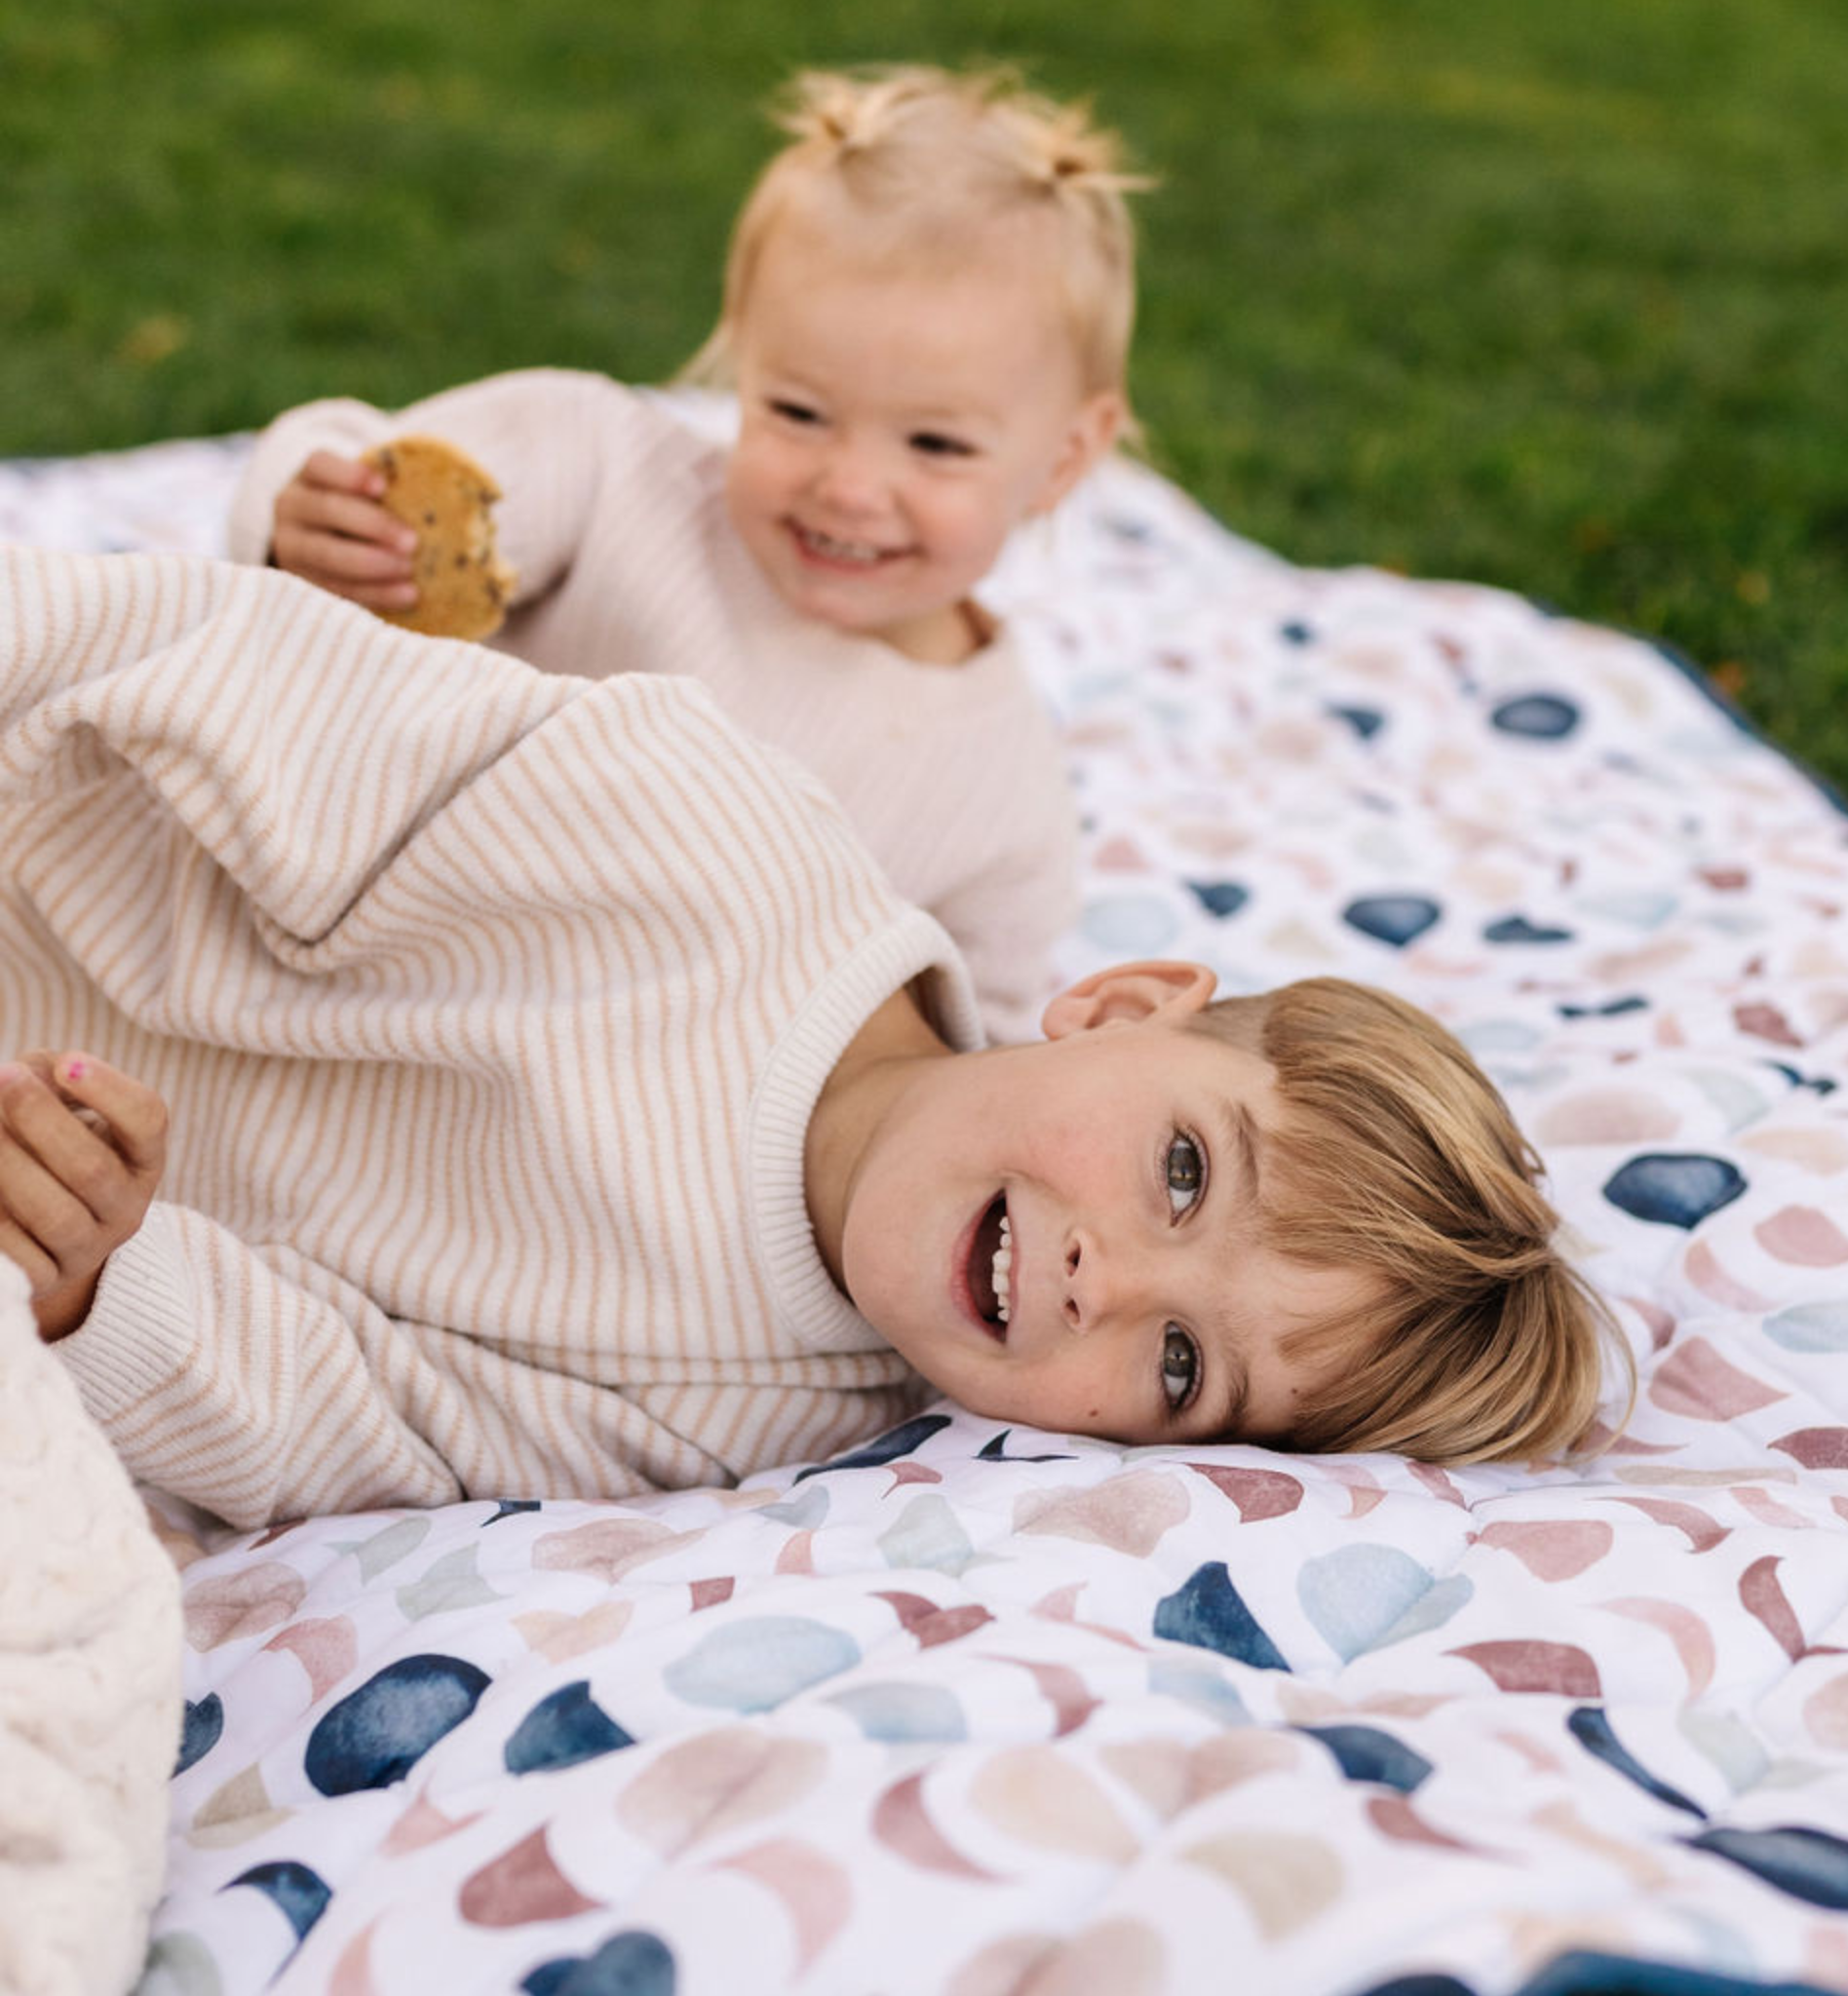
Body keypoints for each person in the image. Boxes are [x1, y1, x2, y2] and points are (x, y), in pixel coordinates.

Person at [0, 548, 1617, 1529]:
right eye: (1183, 1173)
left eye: (1181, 1367)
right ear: (1120, 1003)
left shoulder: (757, 1412)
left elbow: (359, 1415)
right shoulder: (707, 836)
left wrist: (103, 1276)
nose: (1104, 1284)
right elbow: (233, 677)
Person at [226, 64, 1145, 1040]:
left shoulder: (1001, 809)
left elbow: (975, 1046)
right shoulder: (607, 476)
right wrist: (318, 520)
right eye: (796, 411)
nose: (848, 486)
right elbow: (380, 465)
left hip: (576, 1096)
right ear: (740, 362)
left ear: (1063, 458)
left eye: (934, 445)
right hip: (345, 923)